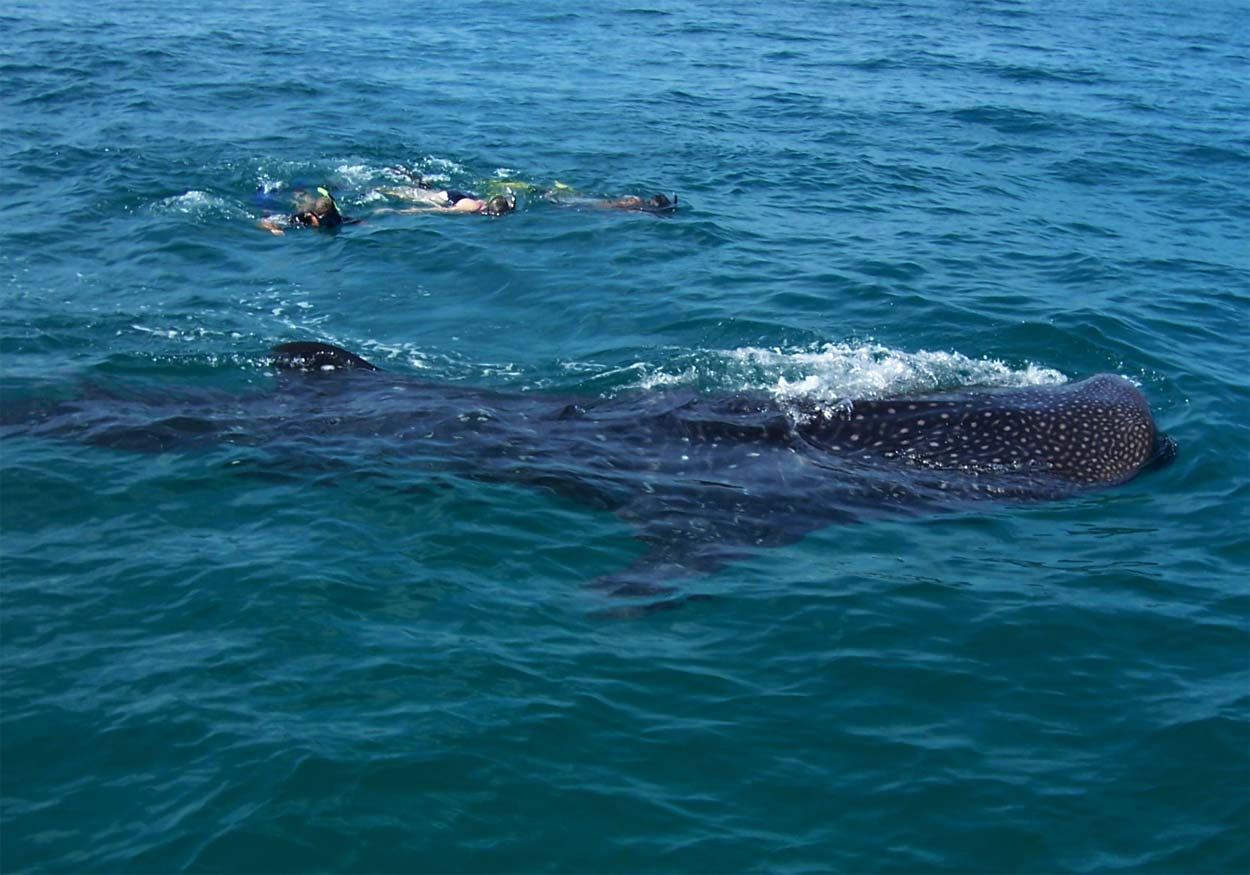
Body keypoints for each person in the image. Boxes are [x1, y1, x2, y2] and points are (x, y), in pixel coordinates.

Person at [259, 188, 357, 235]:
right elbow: (264, 221)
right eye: (322, 219)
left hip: (317, 209)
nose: (325, 222)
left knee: (311, 204)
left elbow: (354, 221)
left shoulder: (335, 218)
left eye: (328, 218)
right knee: (302, 206)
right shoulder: (300, 219)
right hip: (303, 211)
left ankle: (304, 195)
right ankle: (299, 193)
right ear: (313, 215)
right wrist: (274, 229)